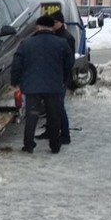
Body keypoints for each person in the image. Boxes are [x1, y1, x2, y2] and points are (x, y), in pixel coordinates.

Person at [10, 15, 74, 154]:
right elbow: (69, 63)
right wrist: (62, 78)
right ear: (52, 27)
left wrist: (15, 81)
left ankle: (29, 145)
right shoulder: (62, 43)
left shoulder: (26, 43)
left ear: (38, 26)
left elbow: (17, 64)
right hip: (54, 86)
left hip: (33, 87)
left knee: (32, 115)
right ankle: (55, 145)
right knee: (54, 116)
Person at [37, 10, 75, 144]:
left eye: (55, 22)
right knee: (49, 106)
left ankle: (65, 134)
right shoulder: (54, 36)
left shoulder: (67, 38)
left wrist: (62, 79)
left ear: (61, 22)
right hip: (51, 77)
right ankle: (50, 131)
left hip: (60, 79)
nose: (53, 24)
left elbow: (69, 62)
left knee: (58, 106)